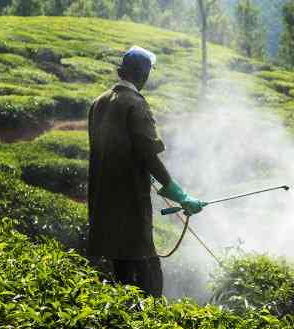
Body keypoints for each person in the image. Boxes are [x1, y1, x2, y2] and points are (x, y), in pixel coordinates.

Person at [87, 45, 206, 297]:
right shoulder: (135, 104)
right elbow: (148, 155)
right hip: (129, 203)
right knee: (149, 273)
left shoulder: (98, 103)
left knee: (121, 270)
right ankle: (148, 326)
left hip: (102, 202)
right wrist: (180, 194)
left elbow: (113, 150)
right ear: (142, 74)